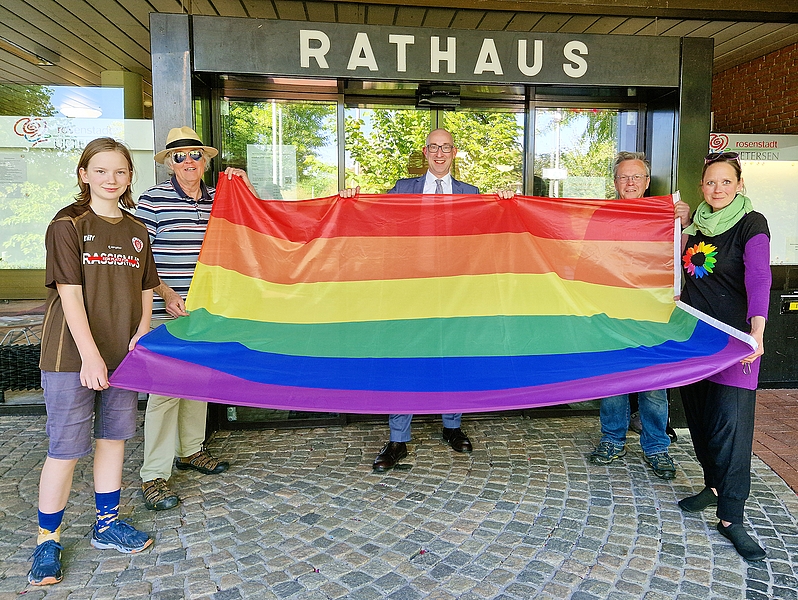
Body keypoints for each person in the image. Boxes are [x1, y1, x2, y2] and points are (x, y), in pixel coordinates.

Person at [342, 128, 514, 472]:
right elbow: (374, 214)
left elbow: (490, 232)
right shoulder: (403, 189)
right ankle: (397, 439)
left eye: (445, 147)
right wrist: (352, 200)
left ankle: (452, 426)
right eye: (433, 147)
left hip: (455, 288)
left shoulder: (471, 194)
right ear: (425, 152)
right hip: (411, 288)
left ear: (454, 152)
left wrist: (505, 202)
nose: (439, 153)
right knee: (405, 357)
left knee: (453, 355)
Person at [28, 138, 159, 586]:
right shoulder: (67, 223)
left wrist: (142, 330)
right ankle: (48, 540)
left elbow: (146, 288)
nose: (111, 179)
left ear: (129, 177)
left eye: (120, 171)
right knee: (65, 449)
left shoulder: (137, 229)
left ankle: (107, 524)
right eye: (100, 170)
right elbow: (69, 293)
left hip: (123, 354)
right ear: (84, 175)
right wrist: (90, 356)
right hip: (72, 356)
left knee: (113, 439)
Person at [135, 127, 256, 511]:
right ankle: (154, 474)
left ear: (205, 161)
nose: (188, 161)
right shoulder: (152, 201)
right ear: (170, 163)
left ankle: (190, 450)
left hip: (208, 313)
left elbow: (257, 227)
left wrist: (244, 186)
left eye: (195, 155)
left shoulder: (221, 198)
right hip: (166, 310)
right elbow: (140, 259)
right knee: (165, 391)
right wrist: (166, 293)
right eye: (180, 156)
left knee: (198, 383)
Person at [677, 151, 770, 562]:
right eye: (711, 182)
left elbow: (760, 276)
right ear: (702, 186)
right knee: (700, 419)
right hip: (693, 340)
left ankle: (731, 517)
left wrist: (757, 331)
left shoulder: (752, 223)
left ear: (740, 184)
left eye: (726, 181)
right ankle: (713, 485)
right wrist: (678, 223)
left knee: (732, 428)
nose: (718, 189)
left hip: (736, 342)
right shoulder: (693, 226)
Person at [588, 152, 683, 479]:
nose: (630, 182)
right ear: (615, 182)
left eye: (636, 177)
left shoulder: (663, 215)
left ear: (647, 182)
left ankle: (656, 446)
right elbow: (586, 258)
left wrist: (683, 222)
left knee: (654, 383)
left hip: (652, 312)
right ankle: (612, 439)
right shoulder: (601, 216)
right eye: (623, 177)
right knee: (613, 379)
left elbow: (683, 252)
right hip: (612, 312)